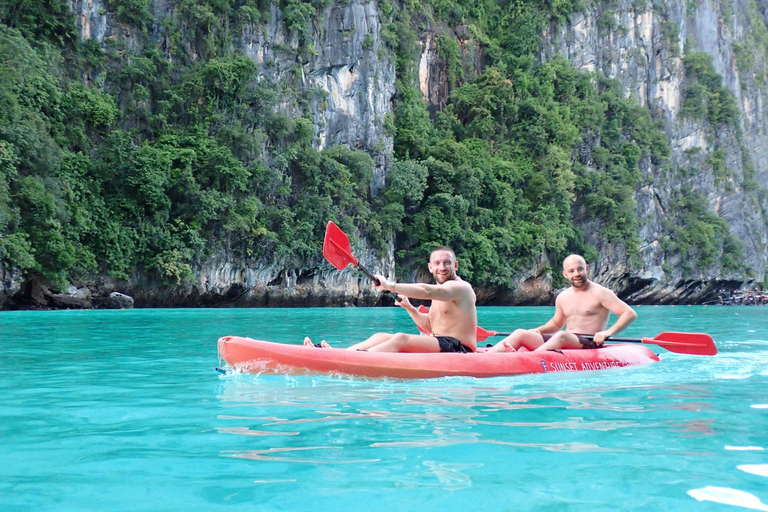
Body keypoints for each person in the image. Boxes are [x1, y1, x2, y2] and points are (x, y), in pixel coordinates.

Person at [304, 246, 478, 353]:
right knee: (381, 336)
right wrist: (409, 307)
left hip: (460, 348)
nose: (442, 267)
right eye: (437, 263)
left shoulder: (460, 288)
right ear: (430, 267)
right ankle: (340, 354)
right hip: (442, 342)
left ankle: (353, 361)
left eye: (447, 263)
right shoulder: (442, 290)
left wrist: (389, 285)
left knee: (401, 338)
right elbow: (429, 326)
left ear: (455, 265)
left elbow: (426, 291)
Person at [487, 254, 637, 352]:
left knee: (561, 336)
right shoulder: (563, 296)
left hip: (589, 342)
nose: (576, 274)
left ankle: (525, 359)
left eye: (580, 269)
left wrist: (607, 332)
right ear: (565, 274)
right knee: (520, 333)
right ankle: (486, 358)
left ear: (587, 269)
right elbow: (556, 323)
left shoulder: (601, 292)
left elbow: (629, 313)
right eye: (571, 271)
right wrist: (538, 330)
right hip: (565, 339)